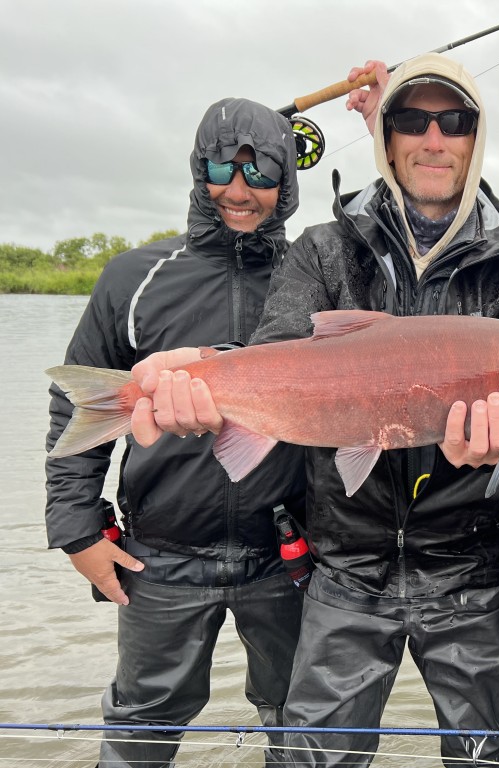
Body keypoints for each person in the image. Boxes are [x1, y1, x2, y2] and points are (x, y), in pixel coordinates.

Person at [130, 53, 499, 768]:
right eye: (412, 120)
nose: (433, 138)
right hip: (343, 568)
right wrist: (202, 377)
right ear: (387, 138)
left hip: (472, 572)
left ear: (475, 139)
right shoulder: (324, 250)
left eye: (454, 122)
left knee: (485, 758)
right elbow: (276, 351)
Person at [44, 98, 308, 767]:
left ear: (289, 178)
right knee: (140, 731)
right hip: (157, 557)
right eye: (222, 166)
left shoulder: (315, 277)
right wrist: (76, 528)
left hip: (289, 557)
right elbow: (70, 409)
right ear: (199, 169)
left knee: (301, 727)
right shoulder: (134, 277)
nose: (238, 189)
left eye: (261, 171)